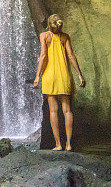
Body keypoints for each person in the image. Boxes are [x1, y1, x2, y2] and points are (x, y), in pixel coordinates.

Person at [33, 13, 85, 151]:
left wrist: (38, 76)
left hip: (50, 75)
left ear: (49, 25)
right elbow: (71, 55)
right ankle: (68, 144)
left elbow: (43, 56)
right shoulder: (65, 37)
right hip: (64, 75)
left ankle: (58, 144)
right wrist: (79, 74)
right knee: (67, 110)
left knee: (53, 111)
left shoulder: (44, 36)